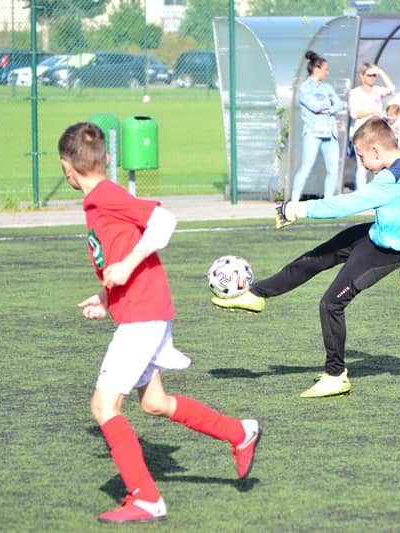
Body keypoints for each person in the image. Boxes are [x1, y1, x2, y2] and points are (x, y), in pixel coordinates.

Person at [58, 122, 261, 524]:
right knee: (154, 403)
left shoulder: (107, 195)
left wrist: (127, 266)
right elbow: (122, 253)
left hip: (143, 318)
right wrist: (106, 296)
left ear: (67, 168)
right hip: (141, 312)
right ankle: (240, 432)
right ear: (107, 158)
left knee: (103, 406)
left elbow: (164, 221)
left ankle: (146, 498)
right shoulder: (99, 201)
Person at [212, 117, 400, 398]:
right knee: (317, 258)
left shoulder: (390, 181)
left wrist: (297, 209)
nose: (361, 162)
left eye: (361, 156)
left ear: (376, 150)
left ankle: (336, 376)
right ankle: (255, 295)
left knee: (331, 305)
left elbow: (345, 204)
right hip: (376, 234)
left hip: (385, 252)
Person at [289, 50, 346, 201]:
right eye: (325, 69)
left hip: (330, 133)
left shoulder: (328, 87)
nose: (328, 72)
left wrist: (330, 109)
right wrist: (329, 103)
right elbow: (314, 106)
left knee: (333, 169)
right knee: (306, 167)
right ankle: (293, 201)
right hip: (313, 133)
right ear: (316, 69)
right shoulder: (305, 88)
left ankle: (328, 201)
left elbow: (339, 104)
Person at [348, 63, 395, 191]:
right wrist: (371, 111)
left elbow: (391, 88)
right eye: (369, 75)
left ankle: (378, 192)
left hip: (377, 132)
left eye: (374, 75)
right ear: (362, 76)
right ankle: (361, 194)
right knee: (362, 166)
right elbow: (354, 113)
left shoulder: (377, 90)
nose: (372, 78)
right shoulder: (355, 93)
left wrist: (381, 71)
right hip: (362, 133)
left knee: (381, 164)